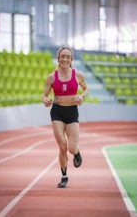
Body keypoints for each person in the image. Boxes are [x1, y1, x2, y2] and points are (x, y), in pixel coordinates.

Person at [42, 46, 89, 188]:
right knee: (62, 146)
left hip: (72, 112)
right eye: (62, 56)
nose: (65, 59)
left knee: (71, 148)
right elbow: (44, 95)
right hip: (57, 112)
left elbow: (86, 89)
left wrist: (81, 96)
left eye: (68, 57)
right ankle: (64, 176)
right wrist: (45, 100)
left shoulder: (78, 75)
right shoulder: (51, 77)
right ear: (58, 58)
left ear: (71, 60)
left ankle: (77, 152)